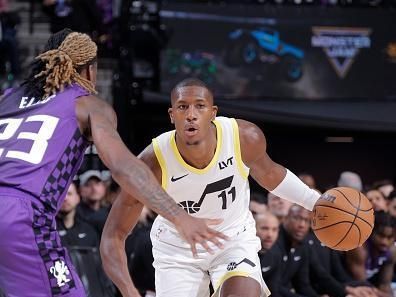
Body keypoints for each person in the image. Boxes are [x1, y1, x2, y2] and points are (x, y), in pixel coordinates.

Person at [0, 30, 226, 297]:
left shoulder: (7, 97)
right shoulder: (88, 105)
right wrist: (178, 216)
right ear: (89, 71)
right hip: (19, 215)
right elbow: (123, 167)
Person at [101, 78, 323, 297]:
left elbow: (271, 174)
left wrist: (316, 202)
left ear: (213, 112)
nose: (191, 114)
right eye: (182, 107)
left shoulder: (243, 137)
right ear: (172, 115)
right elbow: (113, 236)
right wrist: (129, 292)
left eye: (200, 106)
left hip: (232, 240)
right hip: (177, 250)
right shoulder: (152, 161)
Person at [346, 211, 396, 297]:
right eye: (381, 235)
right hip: (348, 285)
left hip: (370, 287)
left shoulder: (392, 251)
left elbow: (385, 284)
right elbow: (363, 285)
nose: (384, 241)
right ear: (371, 232)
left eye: (389, 237)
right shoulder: (359, 248)